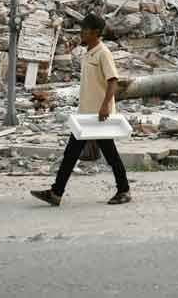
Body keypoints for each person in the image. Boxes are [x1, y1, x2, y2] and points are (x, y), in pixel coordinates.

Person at [31, 14, 131, 206]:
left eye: (84, 30)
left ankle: (124, 190)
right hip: (86, 115)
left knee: (111, 155)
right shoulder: (88, 53)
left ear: (95, 32)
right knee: (71, 154)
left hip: (99, 116)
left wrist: (104, 107)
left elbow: (113, 82)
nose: (81, 33)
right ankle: (56, 192)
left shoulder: (103, 53)